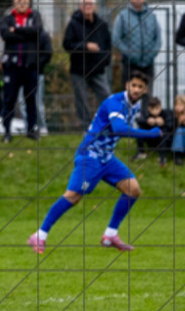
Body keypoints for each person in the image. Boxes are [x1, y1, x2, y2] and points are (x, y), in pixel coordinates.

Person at [28, 72, 160, 255]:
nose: (136, 90)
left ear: (145, 90)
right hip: (90, 155)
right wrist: (149, 133)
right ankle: (39, 235)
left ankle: (110, 236)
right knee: (73, 196)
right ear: (127, 85)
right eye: (134, 85)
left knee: (133, 190)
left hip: (106, 158)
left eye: (140, 87)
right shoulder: (115, 102)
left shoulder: (135, 106)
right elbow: (119, 128)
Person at [0, 0, 46, 141]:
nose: (22, 3)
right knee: (9, 100)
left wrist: (17, 31)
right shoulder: (7, 19)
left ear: (29, 2)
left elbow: (37, 31)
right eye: (19, 0)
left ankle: (31, 130)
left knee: (31, 100)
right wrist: (25, 34)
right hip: (11, 67)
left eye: (25, 0)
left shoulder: (35, 16)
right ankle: (6, 131)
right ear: (14, 3)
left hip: (30, 66)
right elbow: (5, 34)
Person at [63, 0, 112, 129]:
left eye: (90, 4)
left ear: (94, 6)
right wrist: (85, 46)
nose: (88, 6)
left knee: (106, 96)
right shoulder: (73, 24)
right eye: (85, 4)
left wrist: (104, 62)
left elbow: (108, 46)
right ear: (80, 7)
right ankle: (86, 128)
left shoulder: (101, 24)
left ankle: (109, 124)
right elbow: (67, 45)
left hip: (98, 69)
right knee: (82, 101)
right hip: (79, 70)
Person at [112, 0, 161, 88]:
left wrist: (151, 55)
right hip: (130, 64)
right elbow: (116, 38)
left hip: (148, 64)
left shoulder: (152, 16)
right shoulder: (122, 16)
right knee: (129, 95)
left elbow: (158, 39)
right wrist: (130, 54)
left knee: (147, 94)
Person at [132, 96, 173, 165]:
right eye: (152, 109)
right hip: (151, 140)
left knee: (164, 134)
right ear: (149, 108)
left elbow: (171, 126)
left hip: (164, 141)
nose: (155, 111)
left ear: (160, 106)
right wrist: (147, 121)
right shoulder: (146, 114)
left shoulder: (166, 113)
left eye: (157, 108)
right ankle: (141, 152)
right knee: (139, 131)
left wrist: (163, 123)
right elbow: (138, 120)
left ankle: (162, 157)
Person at [172, 95, 185, 166]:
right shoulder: (172, 115)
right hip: (175, 139)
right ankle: (178, 156)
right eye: (176, 104)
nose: (178, 107)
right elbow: (170, 128)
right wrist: (179, 121)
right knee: (180, 130)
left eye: (180, 105)